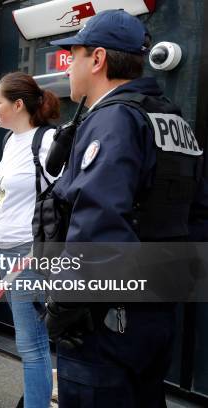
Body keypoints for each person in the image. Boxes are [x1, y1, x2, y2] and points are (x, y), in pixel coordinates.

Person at [40, 10, 204, 407]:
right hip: (154, 309)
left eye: (73, 56)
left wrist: (65, 306)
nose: (69, 67)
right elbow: (196, 216)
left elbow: (99, 225)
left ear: (97, 59)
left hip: (104, 319)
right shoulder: (171, 119)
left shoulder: (114, 120)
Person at [0, 71, 60, 408]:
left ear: (17, 104)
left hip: (29, 256)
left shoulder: (48, 141)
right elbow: (0, 195)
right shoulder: (11, 141)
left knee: (31, 344)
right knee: (27, 340)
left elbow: (65, 194)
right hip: (3, 250)